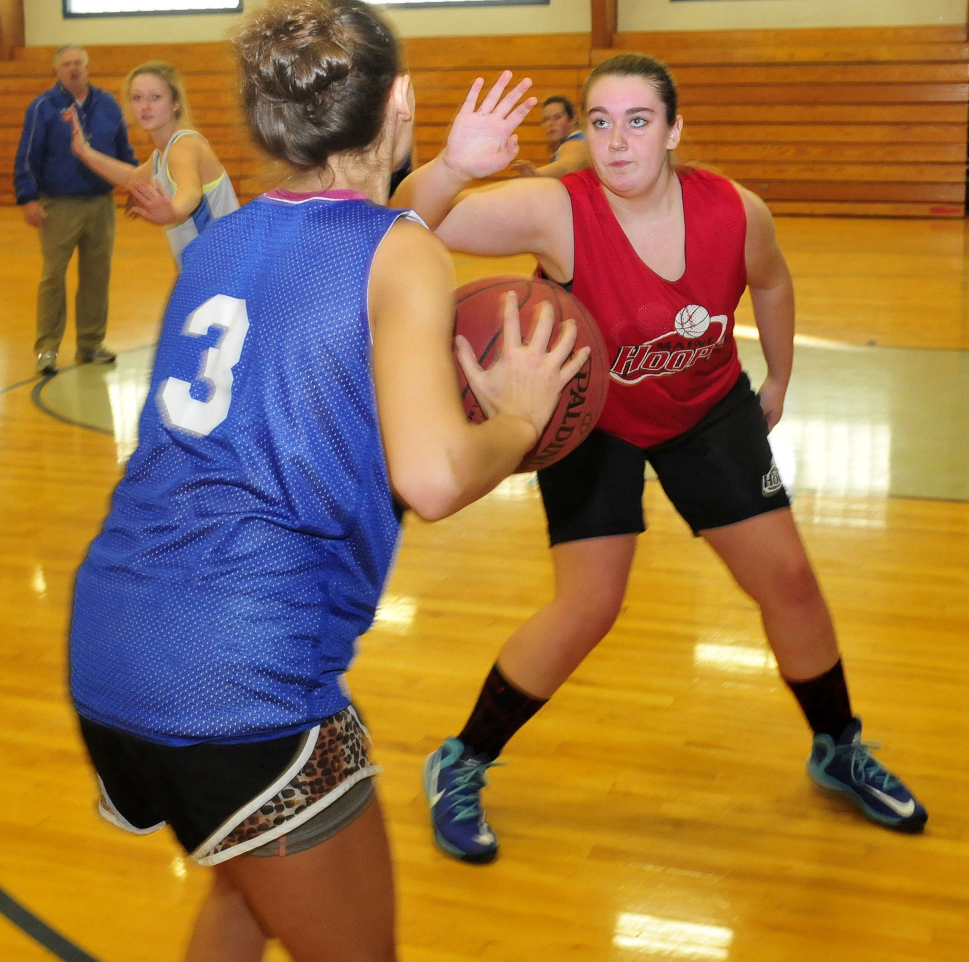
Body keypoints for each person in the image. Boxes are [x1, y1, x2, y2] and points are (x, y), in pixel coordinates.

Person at [68, 3, 584, 960]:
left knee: (251, 887)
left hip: (115, 643)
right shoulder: (402, 252)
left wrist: (454, 171)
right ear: (401, 99)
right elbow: (430, 477)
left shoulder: (222, 242)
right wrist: (516, 417)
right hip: (240, 674)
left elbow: (351, 251)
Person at [396, 52, 928, 865]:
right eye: (600, 122)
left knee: (787, 578)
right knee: (588, 609)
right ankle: (460, 759)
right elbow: (411, 224)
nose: (616, 143)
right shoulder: (557, 210)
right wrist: (447, 167)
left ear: (675, 129)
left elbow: (773, 283)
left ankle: (838, 746)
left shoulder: (735, 211)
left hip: (708, 410)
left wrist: (780, 375)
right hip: (592, 418)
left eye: (638, 122)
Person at [14, 44, 136, 376]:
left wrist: (136, 186)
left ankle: (90, 344)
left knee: (97, 277)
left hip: (101, 205)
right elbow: (28, 156)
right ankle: (47, 349)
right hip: (59, 206)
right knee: (53, 277)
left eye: (79, 63)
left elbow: (124, 150)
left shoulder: (108, 104)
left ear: (87, 67)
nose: (73, 69)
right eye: (67, 64)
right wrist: (28, 198)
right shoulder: (42, 107)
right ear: (57, 70)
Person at [68, 60, 239, 268]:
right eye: (137, 97)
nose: (145, 106)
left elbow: (190, 191)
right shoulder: (161, 154)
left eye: (155, 97)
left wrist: (174, 211)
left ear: (176, 103)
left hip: (224, 266)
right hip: (202, 267)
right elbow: (132, 179)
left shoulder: (183, 148)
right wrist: (83, 151)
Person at [511, 95, 590, 179]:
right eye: (546, 119)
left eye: (557, 117)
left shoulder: (573, 142)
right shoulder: (577, 140)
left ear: (573, 119)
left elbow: (567, 165)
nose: (550, 124)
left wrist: (537, 173)